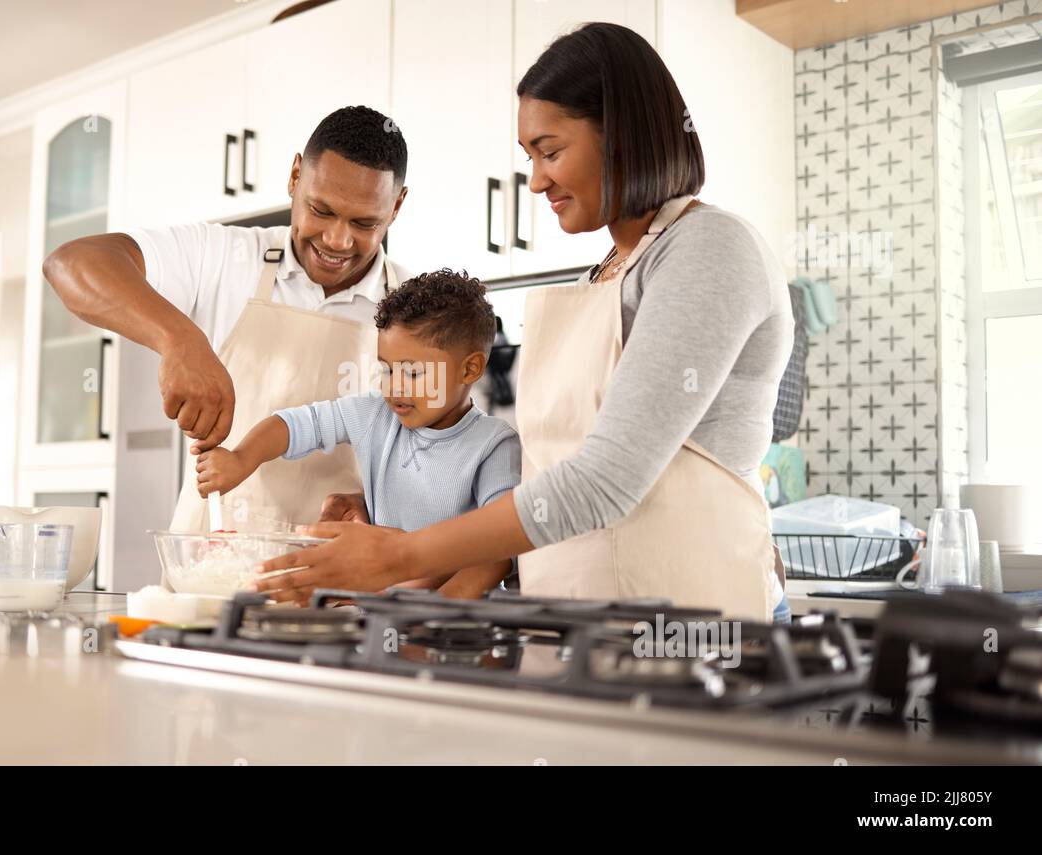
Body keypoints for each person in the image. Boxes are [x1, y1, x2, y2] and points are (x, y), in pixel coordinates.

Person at [257, 23, 794, 622]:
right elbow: (546, 487)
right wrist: (405, 515)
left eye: (550, 150)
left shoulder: (709, 249)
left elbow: (604, 483)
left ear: (622, 137)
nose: (536, 180)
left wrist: (402, 553)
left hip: (699, 628)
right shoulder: (606, 274)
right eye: (529, 157)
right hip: (584, 631)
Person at [43, 105, 411, 531]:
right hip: (213, 563)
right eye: (321, 211)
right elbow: (72, 263)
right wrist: (180, 341)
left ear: (397, 206)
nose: (337, 239)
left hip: (340, 583)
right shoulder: (222, 255)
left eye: (364, 223)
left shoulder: (417, 306)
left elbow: (440, 461)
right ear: (295, 176)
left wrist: (382, 505)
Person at [194, 270, 519, 600]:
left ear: (470, 369)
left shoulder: (494, 445)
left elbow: (499, 550)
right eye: (386, 369)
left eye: (413, 373)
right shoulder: (375, 413)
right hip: (375, 614)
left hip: (451, 628)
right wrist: (241, 459)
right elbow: (294, 425)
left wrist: (432, 617)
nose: (394, 387)